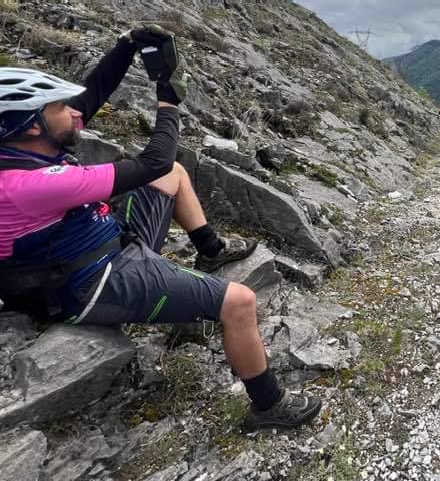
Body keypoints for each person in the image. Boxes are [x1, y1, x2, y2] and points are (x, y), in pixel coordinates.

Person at [0, 25, 321, 430]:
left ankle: (211, 249)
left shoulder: (23, 148)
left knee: (173, 173)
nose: (74, 112)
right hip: (91, 282)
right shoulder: (26, 185)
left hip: (101, 244)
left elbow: (92, 95)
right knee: (239, 302)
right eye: (60, 107)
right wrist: (169, 103)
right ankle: (269, 406)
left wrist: (127, 46)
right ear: (32, 125)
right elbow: (150, 161)